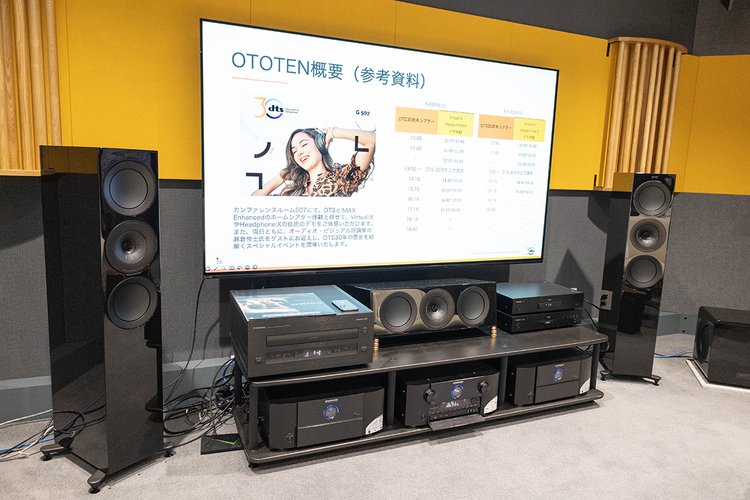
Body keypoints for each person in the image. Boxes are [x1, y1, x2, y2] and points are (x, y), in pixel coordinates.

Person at [252, 127, 375, 196]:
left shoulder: (342, 176)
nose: (299, 152)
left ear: (319, 144)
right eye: (294, 151)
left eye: (304, 145)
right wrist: (282, 176)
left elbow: (371, 141)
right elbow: (253, 202)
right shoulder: (293, 190)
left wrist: (333, 132)